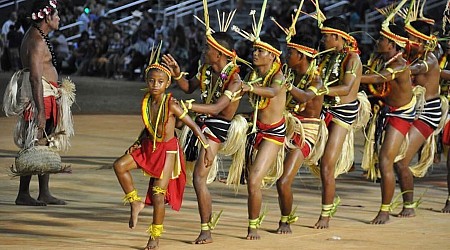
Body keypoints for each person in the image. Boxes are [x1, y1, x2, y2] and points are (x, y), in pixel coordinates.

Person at [113, 46, 214, 249]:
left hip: (167, 151)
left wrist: (207, 147)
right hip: (149, 145)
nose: (155, 85)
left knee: (159, 194)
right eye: (151, 81)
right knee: (119, 166)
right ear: (146, 81)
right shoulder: (147, 101)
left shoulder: (171, 103)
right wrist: (136, 142)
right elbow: (149, 126)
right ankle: (135, 202)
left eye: (160, 81)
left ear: (168, 83)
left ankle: (154, 236)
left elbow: (193, 125)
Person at [162, 6, 246, 244]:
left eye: (208, 48)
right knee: (165, 119)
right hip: (201, 120)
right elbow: (189, 86)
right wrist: (178, 75)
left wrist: (187, 107)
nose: (204, 51)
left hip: (217, 128)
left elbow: (217, 108)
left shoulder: (235, 80)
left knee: (199, 178)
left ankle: (206, 230)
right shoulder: (207, 69)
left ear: (220, 54)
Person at [3, 0, 72, 206]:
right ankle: (23, 193)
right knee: (34, 141)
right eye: (56, 15)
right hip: (39, 97)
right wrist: (40, 111)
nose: (59, 18)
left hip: (47, 94)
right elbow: (34, 77)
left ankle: (44, 192)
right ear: (47, 16)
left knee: (45, 141)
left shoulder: (39, 37)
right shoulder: (36, 40)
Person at [312, 14, 365, 229]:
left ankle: (326, 214)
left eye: (326, 37)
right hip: (326, 109)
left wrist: (320, 90)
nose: (323, 40)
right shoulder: (328, 57)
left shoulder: (353, 59)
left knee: (326, 165)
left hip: (343, 113)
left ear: (337, 37)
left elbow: (345, 88)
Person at [360, 21, 415, 224]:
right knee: (399, 164)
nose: (378, 41)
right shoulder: (382, 59)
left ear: (392, 44)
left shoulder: (398, 65)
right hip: (388, 112)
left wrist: (352, 77)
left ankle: (384, 210)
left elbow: (377, 79)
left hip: (402, 114)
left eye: (382, 39)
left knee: (385, 160)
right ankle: (408, 205)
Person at [394, 16, 445, 218]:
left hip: (428, 112)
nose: (406, 40)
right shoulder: (414, 55)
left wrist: (394, 70)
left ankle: (409, 207)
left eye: (409, 37)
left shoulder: (428, 59)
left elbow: (414, 70)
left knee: (401, 161)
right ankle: (407, 204)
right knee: (396, 159)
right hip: (413, 109)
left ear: (420, 40)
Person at [276, 33, 326, 234]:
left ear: (303, 56)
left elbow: (305, 96)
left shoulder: (316, 80)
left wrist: (287, 86)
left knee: (284, 180)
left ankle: (285, 221)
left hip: (306, 132)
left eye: (291, 52)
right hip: (288, 126)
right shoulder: (292, 73)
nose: (287, 56)